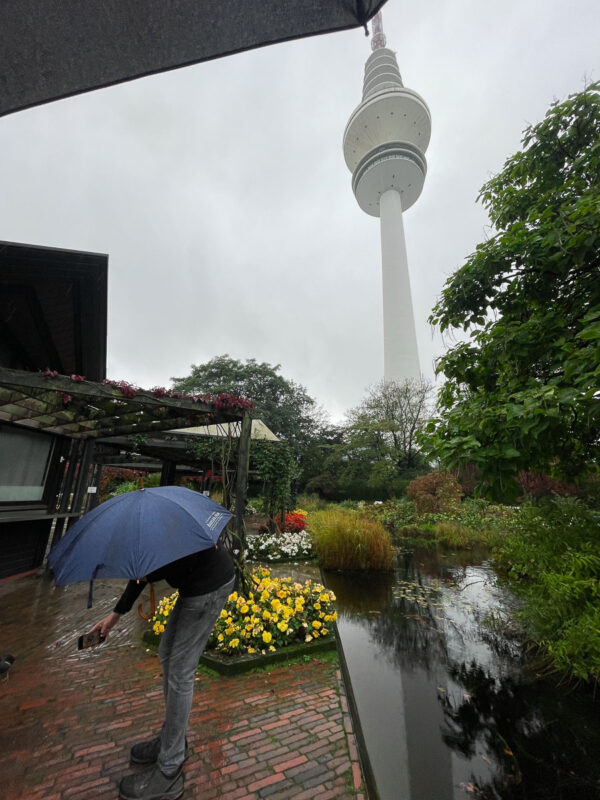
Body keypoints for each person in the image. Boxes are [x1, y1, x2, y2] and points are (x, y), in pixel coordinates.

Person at [92, 543, 235, 800]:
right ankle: (172, 740)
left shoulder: (169, 530)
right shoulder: (148, 530)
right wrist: (114, 616)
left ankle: (170, 769)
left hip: (210, 585)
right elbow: (141, 574)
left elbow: (181, 560)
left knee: (181, 672)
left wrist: (152, 574)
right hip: (193, 587)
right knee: (167, 654)